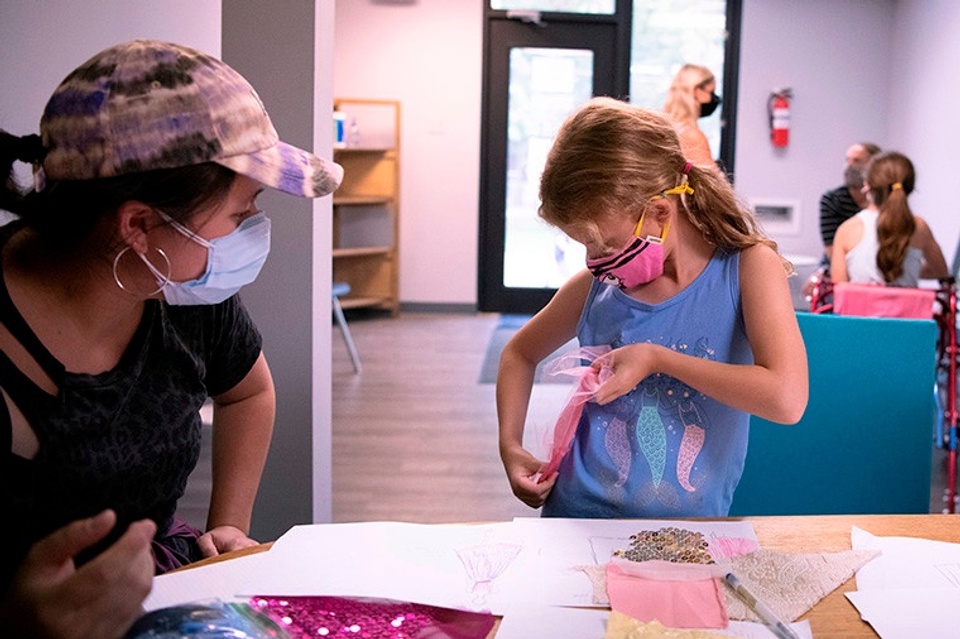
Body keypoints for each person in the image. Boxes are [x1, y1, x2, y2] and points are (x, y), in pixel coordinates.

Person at [0, 39, 342, 635]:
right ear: (138, 224)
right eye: (241, 213)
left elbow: (249, 392)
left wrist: (227, 527)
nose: (251, 230)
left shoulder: (177, 286)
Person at [497, 97, 807, 519]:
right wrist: (510, 447)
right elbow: (519, 353)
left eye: (605, 245)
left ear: (659, 211)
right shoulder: (594, 291)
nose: (595, 261)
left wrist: (659, 360)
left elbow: (786, 399)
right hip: (577, 517)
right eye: (586, 247)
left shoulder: (748, 269)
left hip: (690, 533)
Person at [831, 151, 947, 286]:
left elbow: (838, 287)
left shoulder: (848, 229)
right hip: (909, 308)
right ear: (909, 187)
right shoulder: (919, 227)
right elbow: (940, 270)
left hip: (858, 307)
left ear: (867, 185)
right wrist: (907, 270)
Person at [819, 142, 881, 263]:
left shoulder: (886, 200)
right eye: (847, 160)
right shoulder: (832, 199)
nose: (849, 166)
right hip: (837, 265)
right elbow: (831, 250)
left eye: (857, 161)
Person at [662, 64, 722, 171]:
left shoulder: (664, 128)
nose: (713, 98)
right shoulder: (692, 135)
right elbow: (712, 183)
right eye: (711, 92)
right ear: (696, 91)